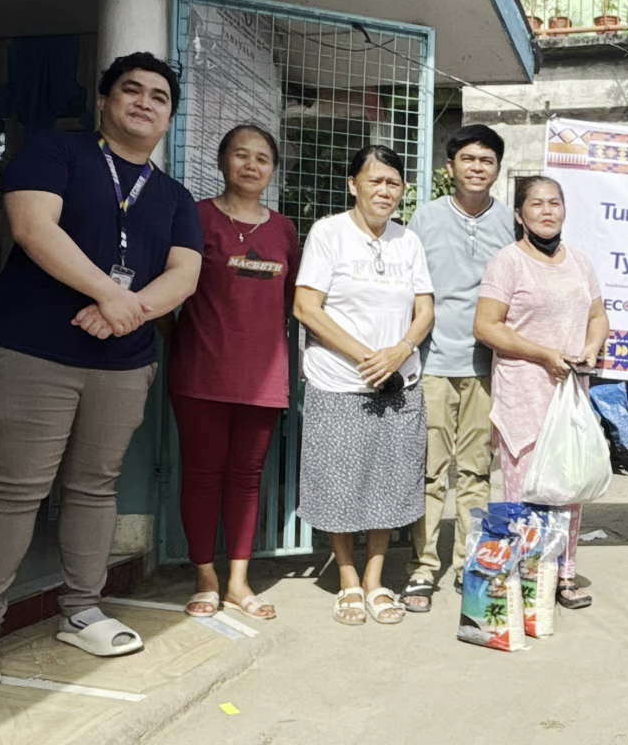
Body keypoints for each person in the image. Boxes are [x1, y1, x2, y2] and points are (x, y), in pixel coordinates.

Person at [0, 52, 204, 690]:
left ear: (169, 116)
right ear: (106, 101)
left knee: (94, 487)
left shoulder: (172, 195)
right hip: (36, 354)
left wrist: (128, 312)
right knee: (15, 488)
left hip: (123, 361)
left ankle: (82, 609)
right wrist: (111, 296)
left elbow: (185, 274)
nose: (144, 103)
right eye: (131, 91)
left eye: (159, 97)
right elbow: (34, 230)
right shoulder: (54, 153)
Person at [292, 145, 435, 626]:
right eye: (374, 181)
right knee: (341, 483)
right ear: (353, 184)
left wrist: (399, 351)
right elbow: (307, 308)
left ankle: (376, 580)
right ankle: (348, 581)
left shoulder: (407, 242)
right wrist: (366, 358)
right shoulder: (328, 233)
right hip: (339, 383)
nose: (384, 191)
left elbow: (425, 310)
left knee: (388, 482)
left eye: (393, 183)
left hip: (398, 383)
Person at [166, 124, 301, 620]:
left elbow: (294, 304)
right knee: (202, 476)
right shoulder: (197, 216)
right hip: (200, 373)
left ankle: (239, 584)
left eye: (262, 158)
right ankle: (205, 577)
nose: (251, 165)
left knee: (247, 479)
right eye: (240, 155)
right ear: (223, 162)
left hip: (262, 378)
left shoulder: (284, 230)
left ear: (272, 169)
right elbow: (169, 287)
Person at [474, 176, 609, 608]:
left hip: (568, 394)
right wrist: (543, 353)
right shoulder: (508, 262)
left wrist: (590, 346)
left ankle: (564, 576)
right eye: (536, 204)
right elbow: (486, 326)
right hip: (524, 393)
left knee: (569, 487)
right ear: (520, 214)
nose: (547, 211)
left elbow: (598, 316)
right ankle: (528, 575)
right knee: (527, 489)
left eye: (555, 203)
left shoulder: (580, 262)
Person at [401, 126, 517, 612]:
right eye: (467, 158)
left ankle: (472, 563)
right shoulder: (423, 219)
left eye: (486, 160)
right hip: (429, 362)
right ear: (450, 168)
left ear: (497, 169)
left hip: (486, 367)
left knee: (475, 470)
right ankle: (424, 567)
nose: (476, 167)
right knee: (430, 472)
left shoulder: (512, 223)